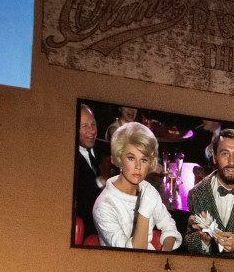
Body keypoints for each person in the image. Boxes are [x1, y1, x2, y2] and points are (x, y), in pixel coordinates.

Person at [92, 122, 182, 250]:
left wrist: (164, 254)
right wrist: (144, 211)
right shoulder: (104, 206)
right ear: (119, 159)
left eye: (144, 160)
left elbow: (169, 227)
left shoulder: (147, 189)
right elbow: (132, 255)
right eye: (131, 158)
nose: (138, 166)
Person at [184, 127, 234, 260]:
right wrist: (203, 242)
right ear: (215, 157)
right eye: (225, 154)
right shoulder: (196, 194)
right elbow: (189, 243)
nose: (232, 162)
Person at [74, 103, 106, 239]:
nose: (92, 131)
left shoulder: (101, 148)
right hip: (89, 230)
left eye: (93, 124)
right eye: (84, 126)